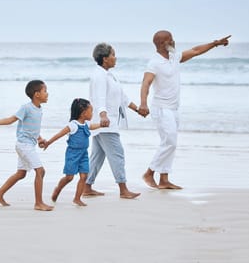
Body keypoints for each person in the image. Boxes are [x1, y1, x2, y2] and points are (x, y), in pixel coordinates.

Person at [139, 30, 231, 189]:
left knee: (168, 143)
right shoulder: (154, 63)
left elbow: (195, 51)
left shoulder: (174, 57)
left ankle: (164, 179)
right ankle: (149, 173)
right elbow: (145, 83)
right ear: (162, 44)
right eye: (171, 40)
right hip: (161, 109)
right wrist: (143, 103)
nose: (174, 42)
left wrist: (215, 43)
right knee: (170, 142)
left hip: (173, 109)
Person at [84, 43, 141, 199]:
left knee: (97, 156)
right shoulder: (99, 75)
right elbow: (99, 97)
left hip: (107, 123)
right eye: (113, 55)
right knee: (117, 154)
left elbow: (123, 97)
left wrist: (137, 109)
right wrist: (103, 115)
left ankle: (86, 187)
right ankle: (123, 189)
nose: (115, 58)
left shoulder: (109, 75)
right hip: (105, 124)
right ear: (104, 58)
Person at [0, 80, 54, 211]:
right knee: (40, 171)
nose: (47, 94)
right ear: (37, 94)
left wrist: (40, 138)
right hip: (24, 145)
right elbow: (11, 120)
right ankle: (38, 203)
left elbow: (32, 129)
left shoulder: (39, 109)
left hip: (28, 145)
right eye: (45, 91)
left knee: (21, 173)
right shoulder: (26, 107)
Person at [42, 98, 101, 206]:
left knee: (84, 176)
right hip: (72, 155)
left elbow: (92, 126)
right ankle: (58, 188)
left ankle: (77, 198)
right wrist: (48, 142)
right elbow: (59, 135)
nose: (92, 113)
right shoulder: (73, 125)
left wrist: (101, 125)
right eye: (91, 111)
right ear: (83, 113)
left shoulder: (86, 124)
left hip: (84, 154)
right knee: (69, 177)